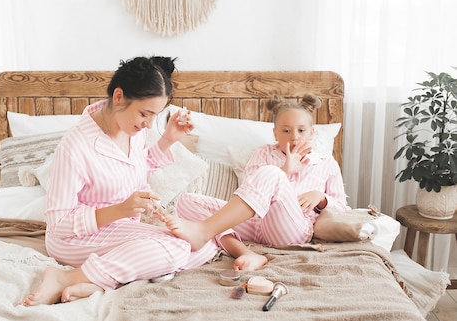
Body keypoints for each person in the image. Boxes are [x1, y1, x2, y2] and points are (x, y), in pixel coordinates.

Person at [19, 56, 222, 306]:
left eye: (155, 116)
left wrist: (169, 138)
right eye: (144, 114)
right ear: (118, 97)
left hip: (120, 231)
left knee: (203, 243)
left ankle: (98, 281)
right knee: (180, 248)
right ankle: (65, 277)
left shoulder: (133, 130)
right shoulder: (74, 147)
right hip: (74, 239)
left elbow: (131, 170)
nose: (148, 124)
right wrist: (121, 209)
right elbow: (58, 224)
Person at [165, 93, 349, 270]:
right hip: (254, 223)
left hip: (292, 227)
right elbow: (248, 191)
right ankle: (245, 253)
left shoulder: (326, 164)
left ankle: (204, 232)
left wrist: (321, 197)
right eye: (286, 130)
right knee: (186, 202)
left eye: (301, 130)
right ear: (275, 133)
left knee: (271, 173)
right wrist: (286, 169)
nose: (294, 136)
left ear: (312, 133)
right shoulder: (264, 152)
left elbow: (342, 210)